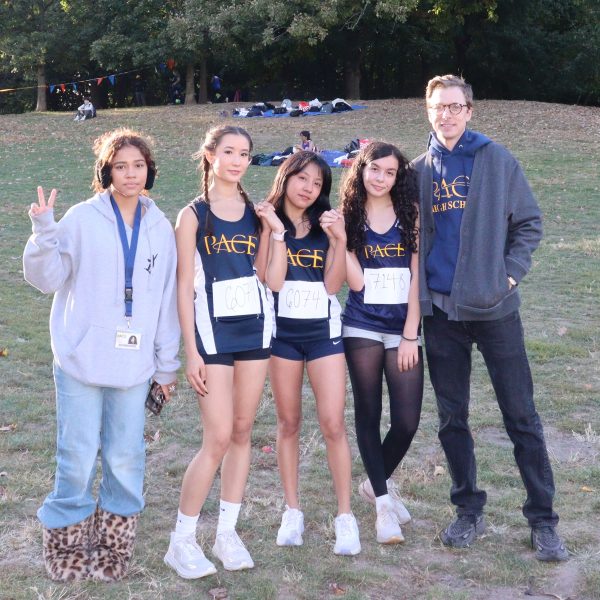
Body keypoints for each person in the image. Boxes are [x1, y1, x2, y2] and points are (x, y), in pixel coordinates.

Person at [413, 74, 568, 561]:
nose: (447, 114)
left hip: (495, 310)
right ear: (428, 111)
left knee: (521, 416)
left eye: (456, 106)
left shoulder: (496, 160)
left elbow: (529, 222)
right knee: (451, 417)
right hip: (440, 313)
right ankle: (468, 510)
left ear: (470, 111)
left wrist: (509, 276)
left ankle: (543, 520)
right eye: (439, 107)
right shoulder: (416, 171)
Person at [23, 128, 180, 582]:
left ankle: (113, 547)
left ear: (149, 169)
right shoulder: (81, 218)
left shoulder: (159, 227)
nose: (130, 174)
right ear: (105, 172)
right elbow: (46, 279)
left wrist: (167, 364)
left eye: (138, 165)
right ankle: (67, 548)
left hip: (134, 365)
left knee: (125, 455)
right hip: (80, 360)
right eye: (120, 166)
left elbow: (167, 300)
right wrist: (43, 232)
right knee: (76, 453)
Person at [164, 125, 273, 579]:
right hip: (211, 336)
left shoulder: (256, 211)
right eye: (228, 151)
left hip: (255, 330)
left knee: (243, 431)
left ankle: (226, 533)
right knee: (218, 436)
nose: (236, 160)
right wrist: (191, 352)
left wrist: (274, 230)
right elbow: (183, 287)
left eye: (244, 154)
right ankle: (182, 541)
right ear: (209, 155)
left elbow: (267, 274)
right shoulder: (192, 215)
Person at [261, 151, 361, 556]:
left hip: (323, 335)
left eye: (317, 183)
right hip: (282, 336)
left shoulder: (326, 225)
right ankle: (292, 510)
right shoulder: (266, 220)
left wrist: (339, 240)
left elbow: (334, 286)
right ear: (286, 177)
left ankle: (345, 517)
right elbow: (273, 281)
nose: (308, 188)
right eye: (302, 179)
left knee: (333, 423)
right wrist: (276, 233)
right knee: (288, 423)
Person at [340, 142, 422, 545]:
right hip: (362, 324)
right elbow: (353, 282)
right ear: (362, 169)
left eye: (389, 172)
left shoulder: (411, 214)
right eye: (375, 169)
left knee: (407, 420)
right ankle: (383, 506)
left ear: (397, 177)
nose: (381, 178)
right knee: (368, 413)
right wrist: (340, 239)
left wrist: (410, 334)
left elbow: (417, 275)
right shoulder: (349, 215)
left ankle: (374, 483)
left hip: (401, 328)